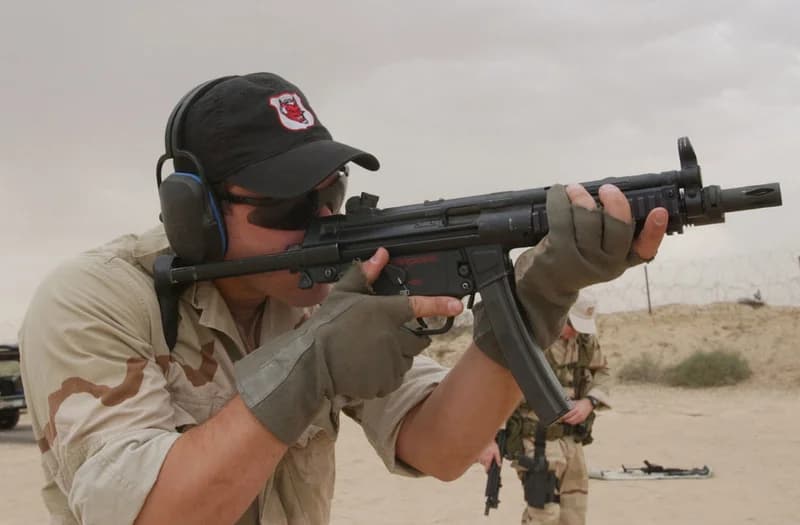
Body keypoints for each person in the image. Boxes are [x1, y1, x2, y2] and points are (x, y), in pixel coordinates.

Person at [19, 72, 667, 525]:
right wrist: (311, 364)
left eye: (330, 194)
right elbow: (152, 515)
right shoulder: (95, 302)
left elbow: (439, 445)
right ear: (197, 214)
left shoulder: (323, 290)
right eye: (288, 202)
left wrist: (540, 294)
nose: (321, 220)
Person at [477, 292, 609, 525]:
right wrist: (487, 439)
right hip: (535, 440)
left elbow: (602, 372)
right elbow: (496, 389)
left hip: (572, 441)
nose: (575, 332)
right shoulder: (530, 342)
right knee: (544, 515)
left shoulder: (586, 341)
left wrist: (590, 402)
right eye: (571, 325)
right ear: (560, 315)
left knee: (574, 515)